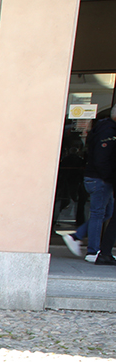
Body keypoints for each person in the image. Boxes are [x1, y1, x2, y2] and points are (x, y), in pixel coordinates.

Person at [64, 106, 115, 262]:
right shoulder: (108, 131)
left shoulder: (106, 129)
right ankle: (93, 252)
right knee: (99, 214)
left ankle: (76, 236)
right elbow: (101, 159)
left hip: (99, 178)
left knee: (105, 213)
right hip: (99, 179)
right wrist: (110, 178)